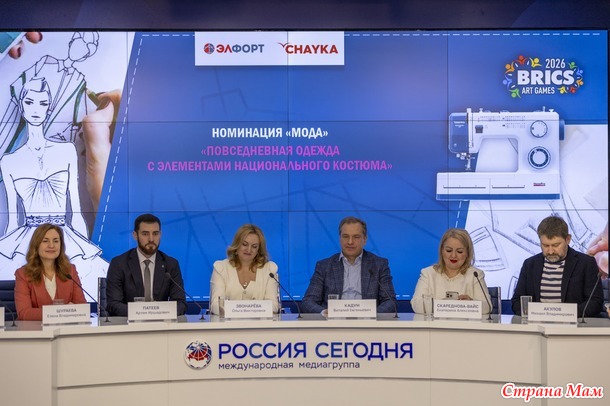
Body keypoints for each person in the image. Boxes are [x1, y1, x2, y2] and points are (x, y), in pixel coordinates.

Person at [0, 77, 107, 291]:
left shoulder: (66, 151)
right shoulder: (9, 161)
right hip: (28, 240)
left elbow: (75, 209)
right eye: (29, 102)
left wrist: (83, 246)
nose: (35, 109)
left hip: (63, 236)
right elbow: (13, 220)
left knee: (82, 287)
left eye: (42, 103)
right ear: (21, 106)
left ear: (49, 108)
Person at [511, 215, 603, 317]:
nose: (550, 251)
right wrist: (535, 313)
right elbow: (516, 302)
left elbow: (595, 302)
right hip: (536, 323)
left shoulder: (586, 263)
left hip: (573, 324)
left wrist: (566, 314)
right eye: (545, 245)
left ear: (568, 239)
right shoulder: (530, 265)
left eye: (556, 245)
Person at [301, 216, 397, 314]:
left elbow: (390, 301)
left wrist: (372, 314)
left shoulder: (379, 265)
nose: (350, 242)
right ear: (340, 238)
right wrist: (324, 312)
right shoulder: (324, 266)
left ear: (364, 239)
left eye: (356, 237)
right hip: (332, 321)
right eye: (345, 236)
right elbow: (308, 302)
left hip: (368, 321)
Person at [105, 213, 187, 317]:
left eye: (155, 233)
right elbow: (113, 304)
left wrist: (157, 312)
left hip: (161, 324)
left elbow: (181, 304)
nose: (151, 239)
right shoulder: (119, 264)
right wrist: (144, 313)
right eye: (145, 234)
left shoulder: (171, 264)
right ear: (135, 235)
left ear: (160, 234)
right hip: (128, 324)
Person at [14, 223, 87, 321]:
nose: (51, 245)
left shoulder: (70, 271)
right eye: (45, 241)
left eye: (56, 241)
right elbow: (24, 313)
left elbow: (82, 307)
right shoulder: (23, 274)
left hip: (66, 329)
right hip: (36, 329)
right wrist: (60, 312)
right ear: (36, 245)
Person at [411, 228, 491, 314]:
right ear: (442, 251)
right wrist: (448, 305)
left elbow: (487, 307)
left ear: (467, 253)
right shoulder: (428, 274)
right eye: (449, 250)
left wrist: (471, 303)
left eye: (459, 251)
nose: (453, 255)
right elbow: (416, 305)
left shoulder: (475, 275)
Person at [209, 224, 279, 315]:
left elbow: (273, 306)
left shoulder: (269, 270)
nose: (249, 250)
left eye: (254, 246)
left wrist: (240, 310)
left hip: (261, 323)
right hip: (227, 323)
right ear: (237, 245)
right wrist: (251, 310)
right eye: (244, 244)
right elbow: (216, 305)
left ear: (258, 250)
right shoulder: (221, 268)